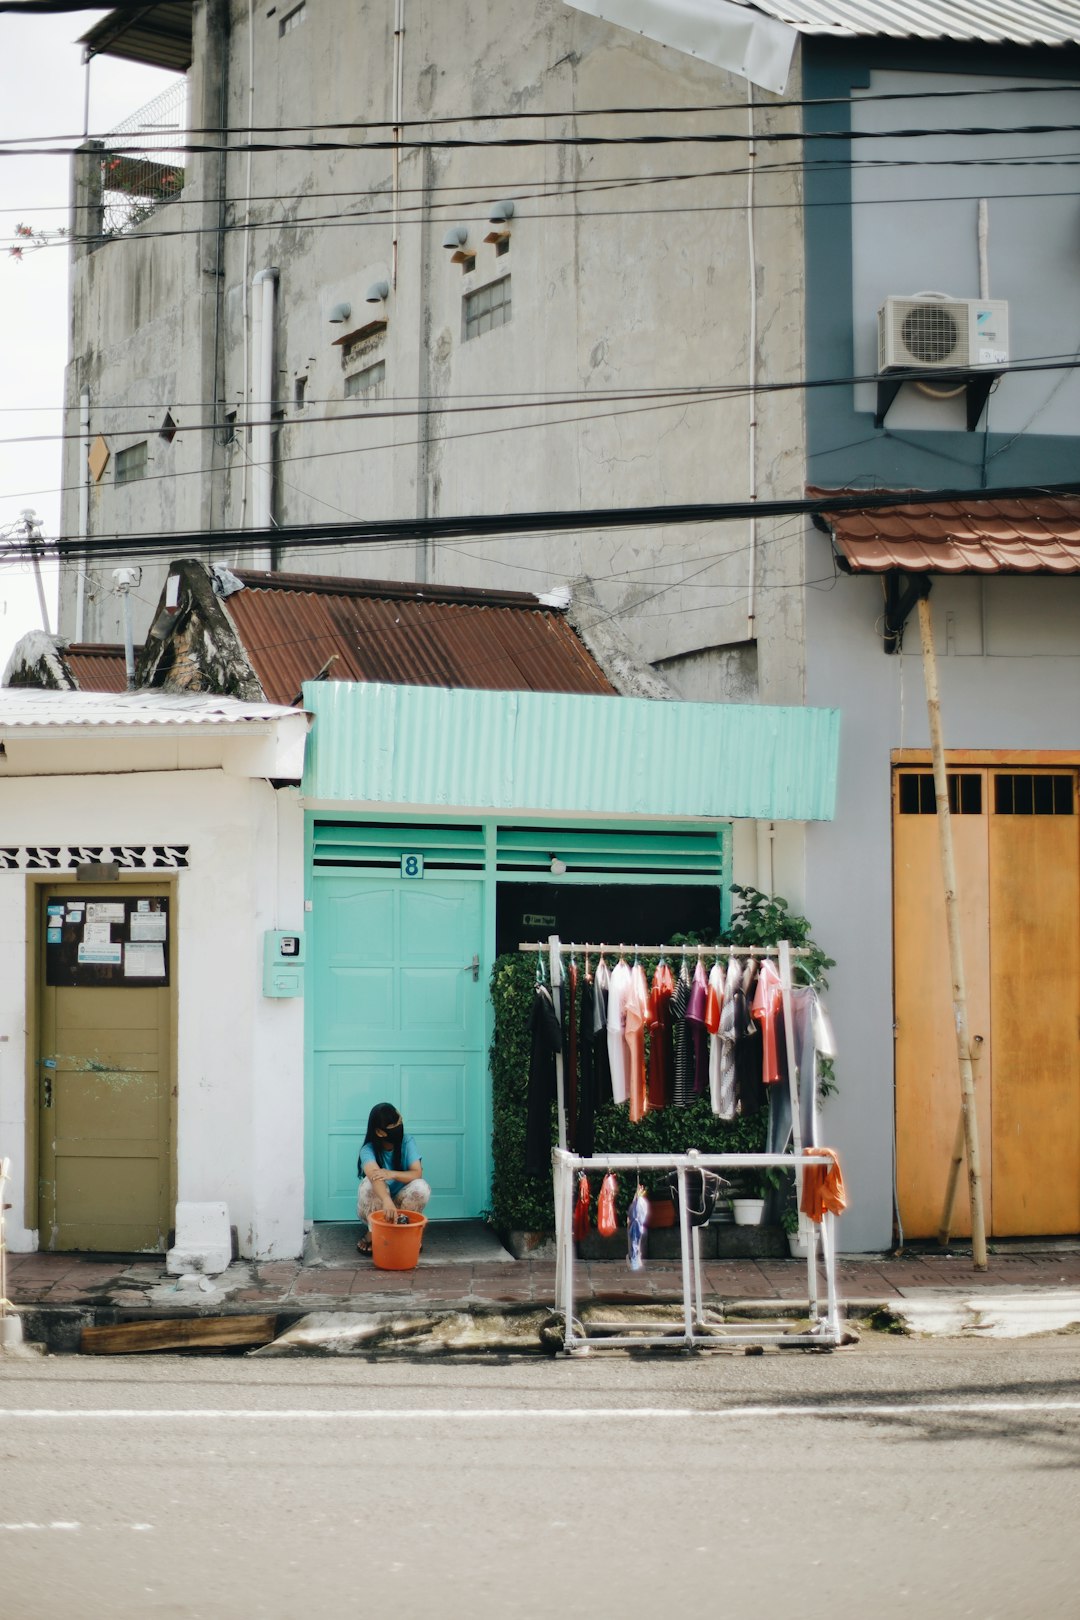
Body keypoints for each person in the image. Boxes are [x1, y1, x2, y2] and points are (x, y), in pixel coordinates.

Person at [356, 1102, 431, 1253]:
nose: (399, 1126)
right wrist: (386, 1200)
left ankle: (405, 1230)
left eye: (400, 1121)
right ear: (379, 1132)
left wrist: (392, 1174)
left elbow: (417, 1173)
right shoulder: (368, 1150)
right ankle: (374, 1232)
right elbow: (374, 1177)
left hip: (402, 1205)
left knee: (421, 1187)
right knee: (368, 1184)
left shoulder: (407, 1142)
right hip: (379, 1206)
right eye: (394, 1125)